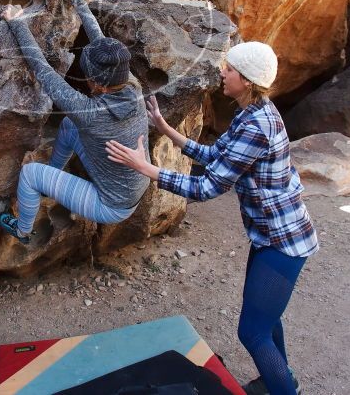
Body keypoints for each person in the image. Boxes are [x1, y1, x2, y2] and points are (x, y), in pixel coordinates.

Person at [105, 41, 318, 395]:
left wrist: (147, 169)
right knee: (265, 319)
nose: (222, 72)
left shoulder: (257, 125)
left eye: (230, 69)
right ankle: (278, 380)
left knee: (252, 331)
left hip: (284, 242)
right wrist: (165, 127)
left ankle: (284, 389)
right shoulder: (251, 111)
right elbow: (216, 154)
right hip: (271, 237)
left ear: (247, 80)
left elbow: (207, 187)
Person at [0, 0, 150, 244]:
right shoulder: (131, 85)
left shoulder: (91, 113)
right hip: (132, 187)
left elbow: (43, 71)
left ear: (99, 84)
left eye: (88, 75)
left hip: (110, 205)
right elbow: (102, 43)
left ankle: (22, 231)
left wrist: (17, 23)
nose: (86, 78)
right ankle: (52, 177)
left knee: (31, 174)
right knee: (69, 125)